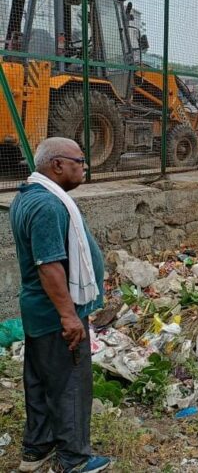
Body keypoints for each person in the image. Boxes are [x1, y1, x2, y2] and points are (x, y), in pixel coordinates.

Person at [9, 137, 111, 472]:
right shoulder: (48, 206)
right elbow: (49, 265)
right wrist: (69, 316)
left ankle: (35, 451)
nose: (84, 167)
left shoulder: (29, 197)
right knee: (71, 386)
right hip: (56, 315)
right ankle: (74, 460)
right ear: (57, 165)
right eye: (79, 161)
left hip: (39, 312)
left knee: (40, 381)